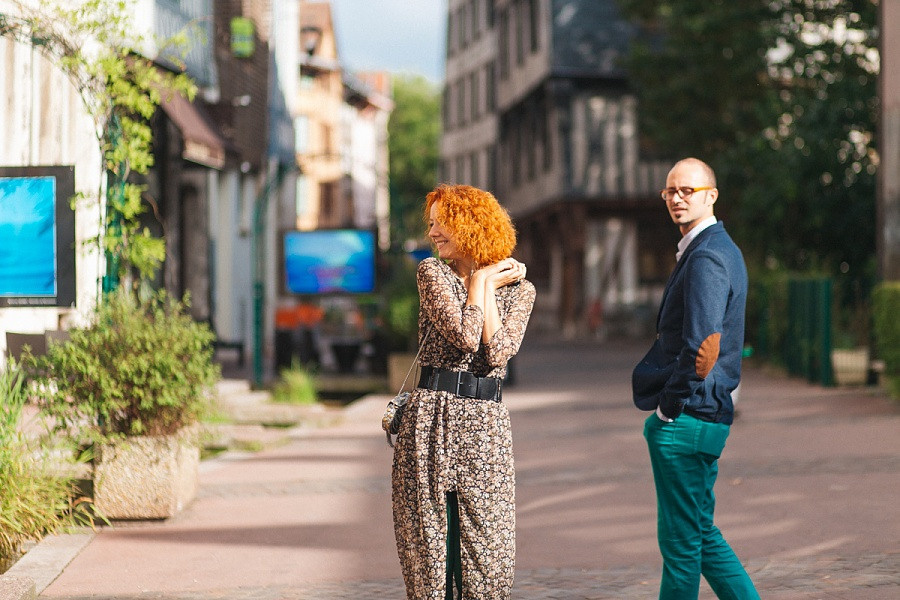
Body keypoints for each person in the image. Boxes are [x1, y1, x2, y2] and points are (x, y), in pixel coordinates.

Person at [392, 184, 535, 600]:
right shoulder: (432, 273)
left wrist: (486, 282)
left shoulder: (521, 291)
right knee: (429, 546)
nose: (433, 232)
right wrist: (483, 281)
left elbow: (499, 353)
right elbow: (465, 336)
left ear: (471, 225)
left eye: (443, 223)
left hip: (485, 423)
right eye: (431, 223)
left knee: (487, 549)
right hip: (431, 416)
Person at [632, 158, 760, 599]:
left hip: (687, 420)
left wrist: (668, 408)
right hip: (703, 417)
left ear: (711, 195)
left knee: (681, 545)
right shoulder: (716, 249)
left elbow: (702, 347)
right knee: (700, 536)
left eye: (688, 190)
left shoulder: (707, 255)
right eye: (670, 191)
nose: (677, 198)